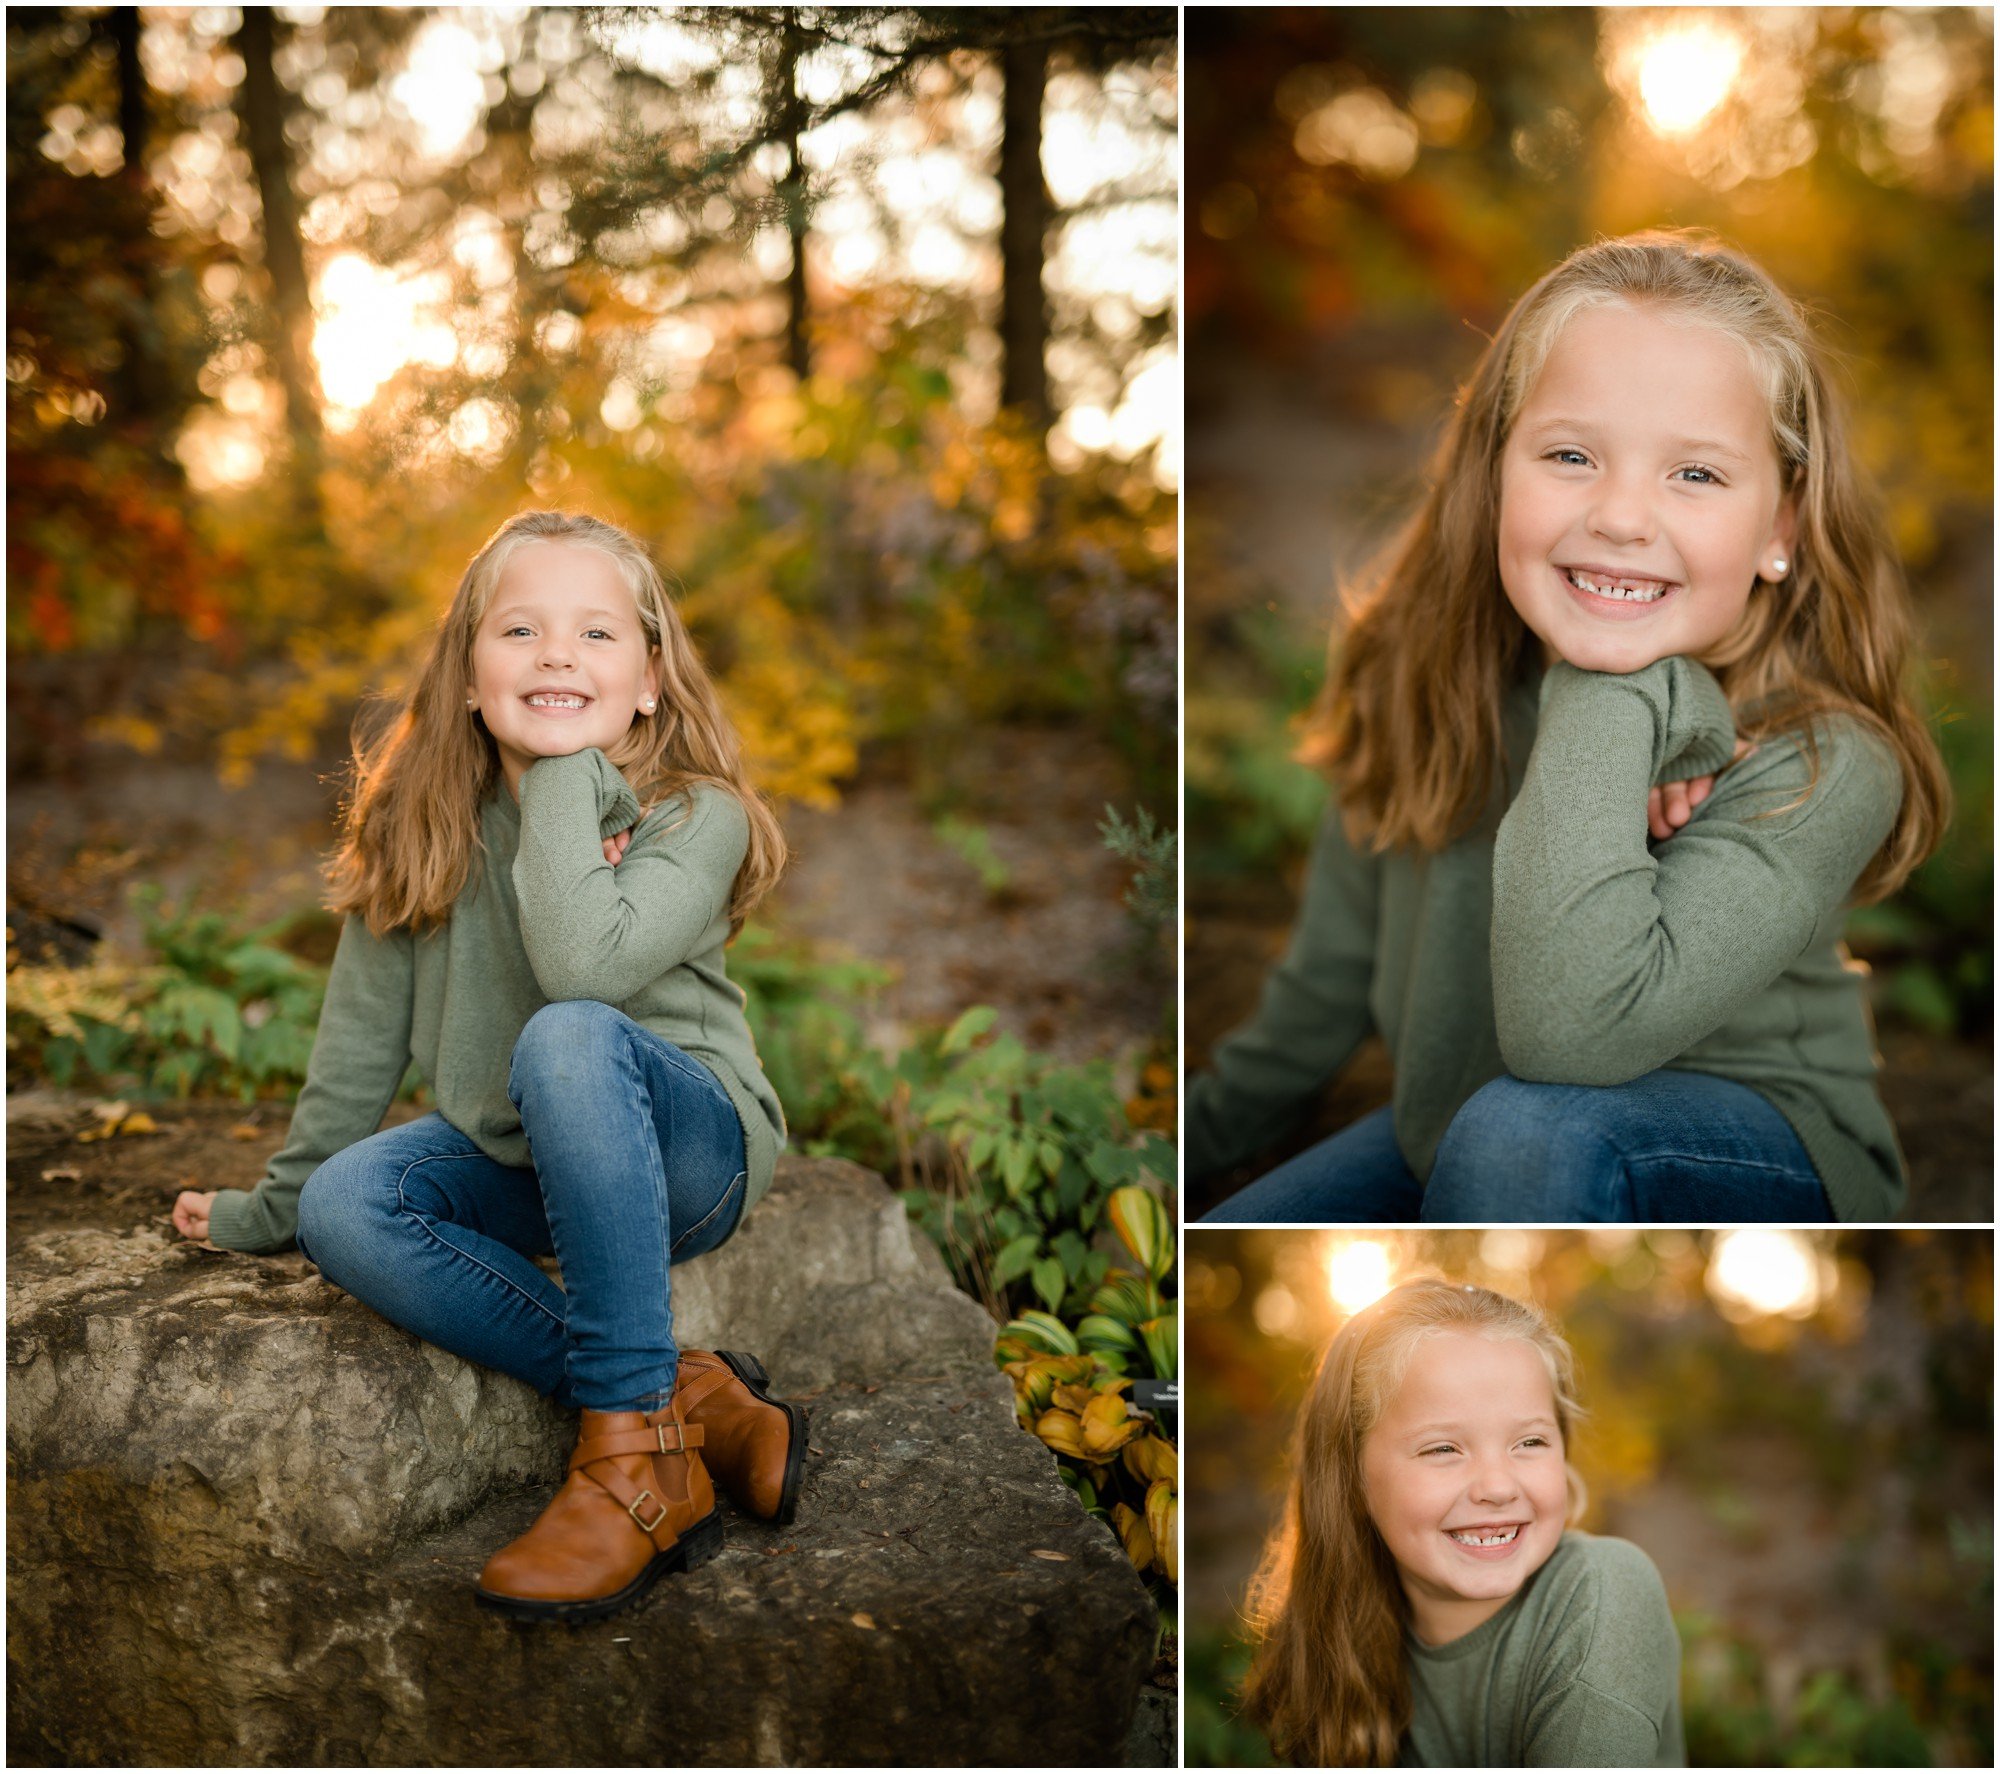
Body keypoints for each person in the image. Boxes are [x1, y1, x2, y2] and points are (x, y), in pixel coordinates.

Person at [1193, 230, 1947, 1223]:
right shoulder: (1419, 692)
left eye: (1696, 475)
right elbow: (1319, 995)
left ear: (1780, 529)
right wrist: (1163, 1170)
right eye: (1568, 455)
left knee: (1527, 1125)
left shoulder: (1823, 761)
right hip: (1465, 1134)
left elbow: (1568, 1040)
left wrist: (1617, 690)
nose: (1622, 516)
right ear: (1491, 472)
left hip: (1755, 1144)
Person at [169, 509, 802, 1622]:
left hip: (685, 1153)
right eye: (520, 628)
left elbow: (579, 971)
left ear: (650, 679)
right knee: (349, 1202)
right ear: (468, 674)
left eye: (597, 634)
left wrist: (566, 779)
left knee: (565, 1036)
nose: (558, 653)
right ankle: (679, 1402)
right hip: (520, 1155)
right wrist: (274, 1206)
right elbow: (358, 1038)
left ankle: (626, 1465)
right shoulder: (424, 823)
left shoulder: (692, 814)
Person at [1240, 1277, 1684, 1767]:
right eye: (1443, 1449)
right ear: (1353, 1481)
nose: (1497, 1486)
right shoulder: (1336, 1650)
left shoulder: (1604, 1590)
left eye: (1530, 1442)